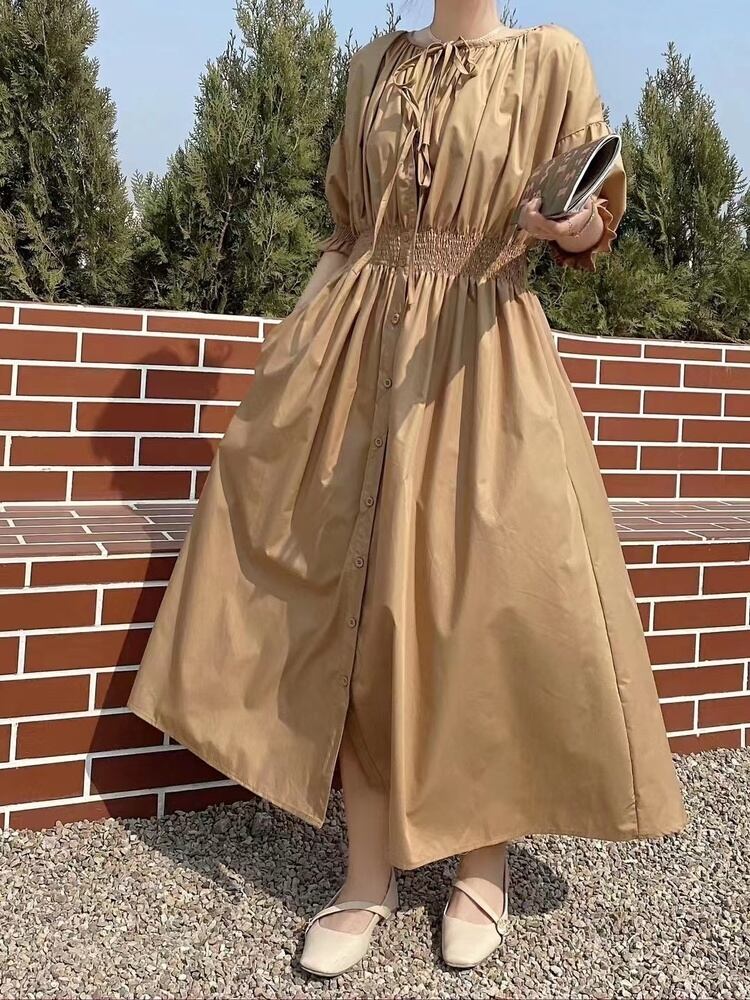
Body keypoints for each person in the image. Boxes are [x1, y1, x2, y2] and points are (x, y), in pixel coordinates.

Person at [127, 0, 689, 978]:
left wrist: (570, 223)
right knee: (353, 602)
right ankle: (367, 869)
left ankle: (483, 864)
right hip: (357, 349)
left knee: (488, 602)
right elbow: (349, 228)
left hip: (483, 352)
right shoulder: (371, 65)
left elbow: (593, 218)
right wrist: (296, 360)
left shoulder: (551, 58)